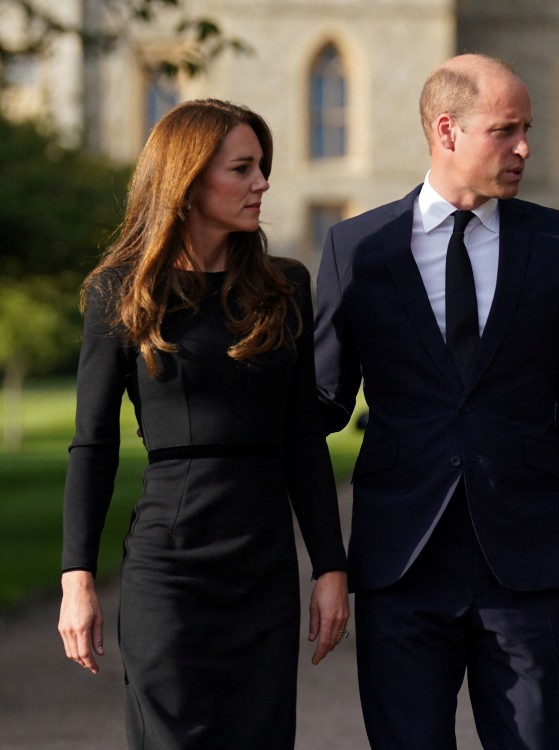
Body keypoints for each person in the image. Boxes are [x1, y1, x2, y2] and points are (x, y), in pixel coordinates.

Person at [312, 54, 559, 749]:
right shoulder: (358, 249)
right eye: (506, 130)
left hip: (530, 570)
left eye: (527, 129)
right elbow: (321, 405)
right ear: (447, 131)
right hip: (400, 567)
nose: (525, 148)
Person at [57, 99, 350, 749]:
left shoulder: (284, 287)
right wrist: (77, 576)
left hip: (264, 565)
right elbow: (93, 445)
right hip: (171, 567)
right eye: (242, 169)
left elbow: (304, 437)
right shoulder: (123, 292)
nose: (262, 184)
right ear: (187, 182)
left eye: (262, 167)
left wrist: (331, 566)